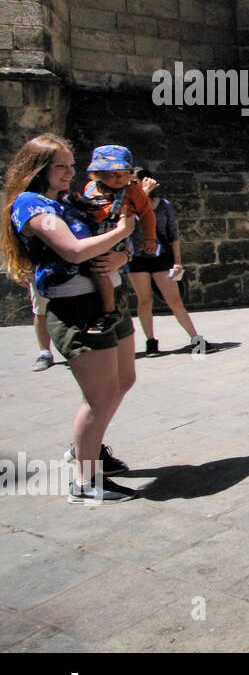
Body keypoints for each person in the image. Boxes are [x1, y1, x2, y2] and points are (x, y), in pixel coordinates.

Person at [3, 134, 139, 502]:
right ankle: (85, 481)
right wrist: (122, 232)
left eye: (71, 165)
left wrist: (122, 255)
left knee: (124, 379)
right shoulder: (30, 205)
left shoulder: (66, 201)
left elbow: (112, 241)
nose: (70, 173)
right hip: (77, 307)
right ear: (38, 169)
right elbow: (75, 252)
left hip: (109, 296)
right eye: (60, 166)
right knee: (100, 395)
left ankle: (83, 447)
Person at [126, 168, 207, 355]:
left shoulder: (163, 205)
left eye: (136, 181)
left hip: (160, 257)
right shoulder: (129, 205)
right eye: (131, 182)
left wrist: (177, 261)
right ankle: (151, 342)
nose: (133, 185)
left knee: (175, 300)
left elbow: (173, 234)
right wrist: (142, 195)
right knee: (144, 300)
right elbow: (129, 223)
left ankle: (196, 340)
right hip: (137, 258)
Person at [78, 145, 157, 335]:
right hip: (94, 235)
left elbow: (146, 214)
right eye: (113, 174)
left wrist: (149, 238)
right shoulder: (91, 188)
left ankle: (108, 311)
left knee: (100, 270)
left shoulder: (132, 191)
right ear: (97, 174)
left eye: (123, 174)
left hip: (116, 236)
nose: (119, 179)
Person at [30, 281, 54, 371]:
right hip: (41, 271)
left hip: (74, 269)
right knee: (41, 310)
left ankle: (78, 352)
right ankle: (45, 353)